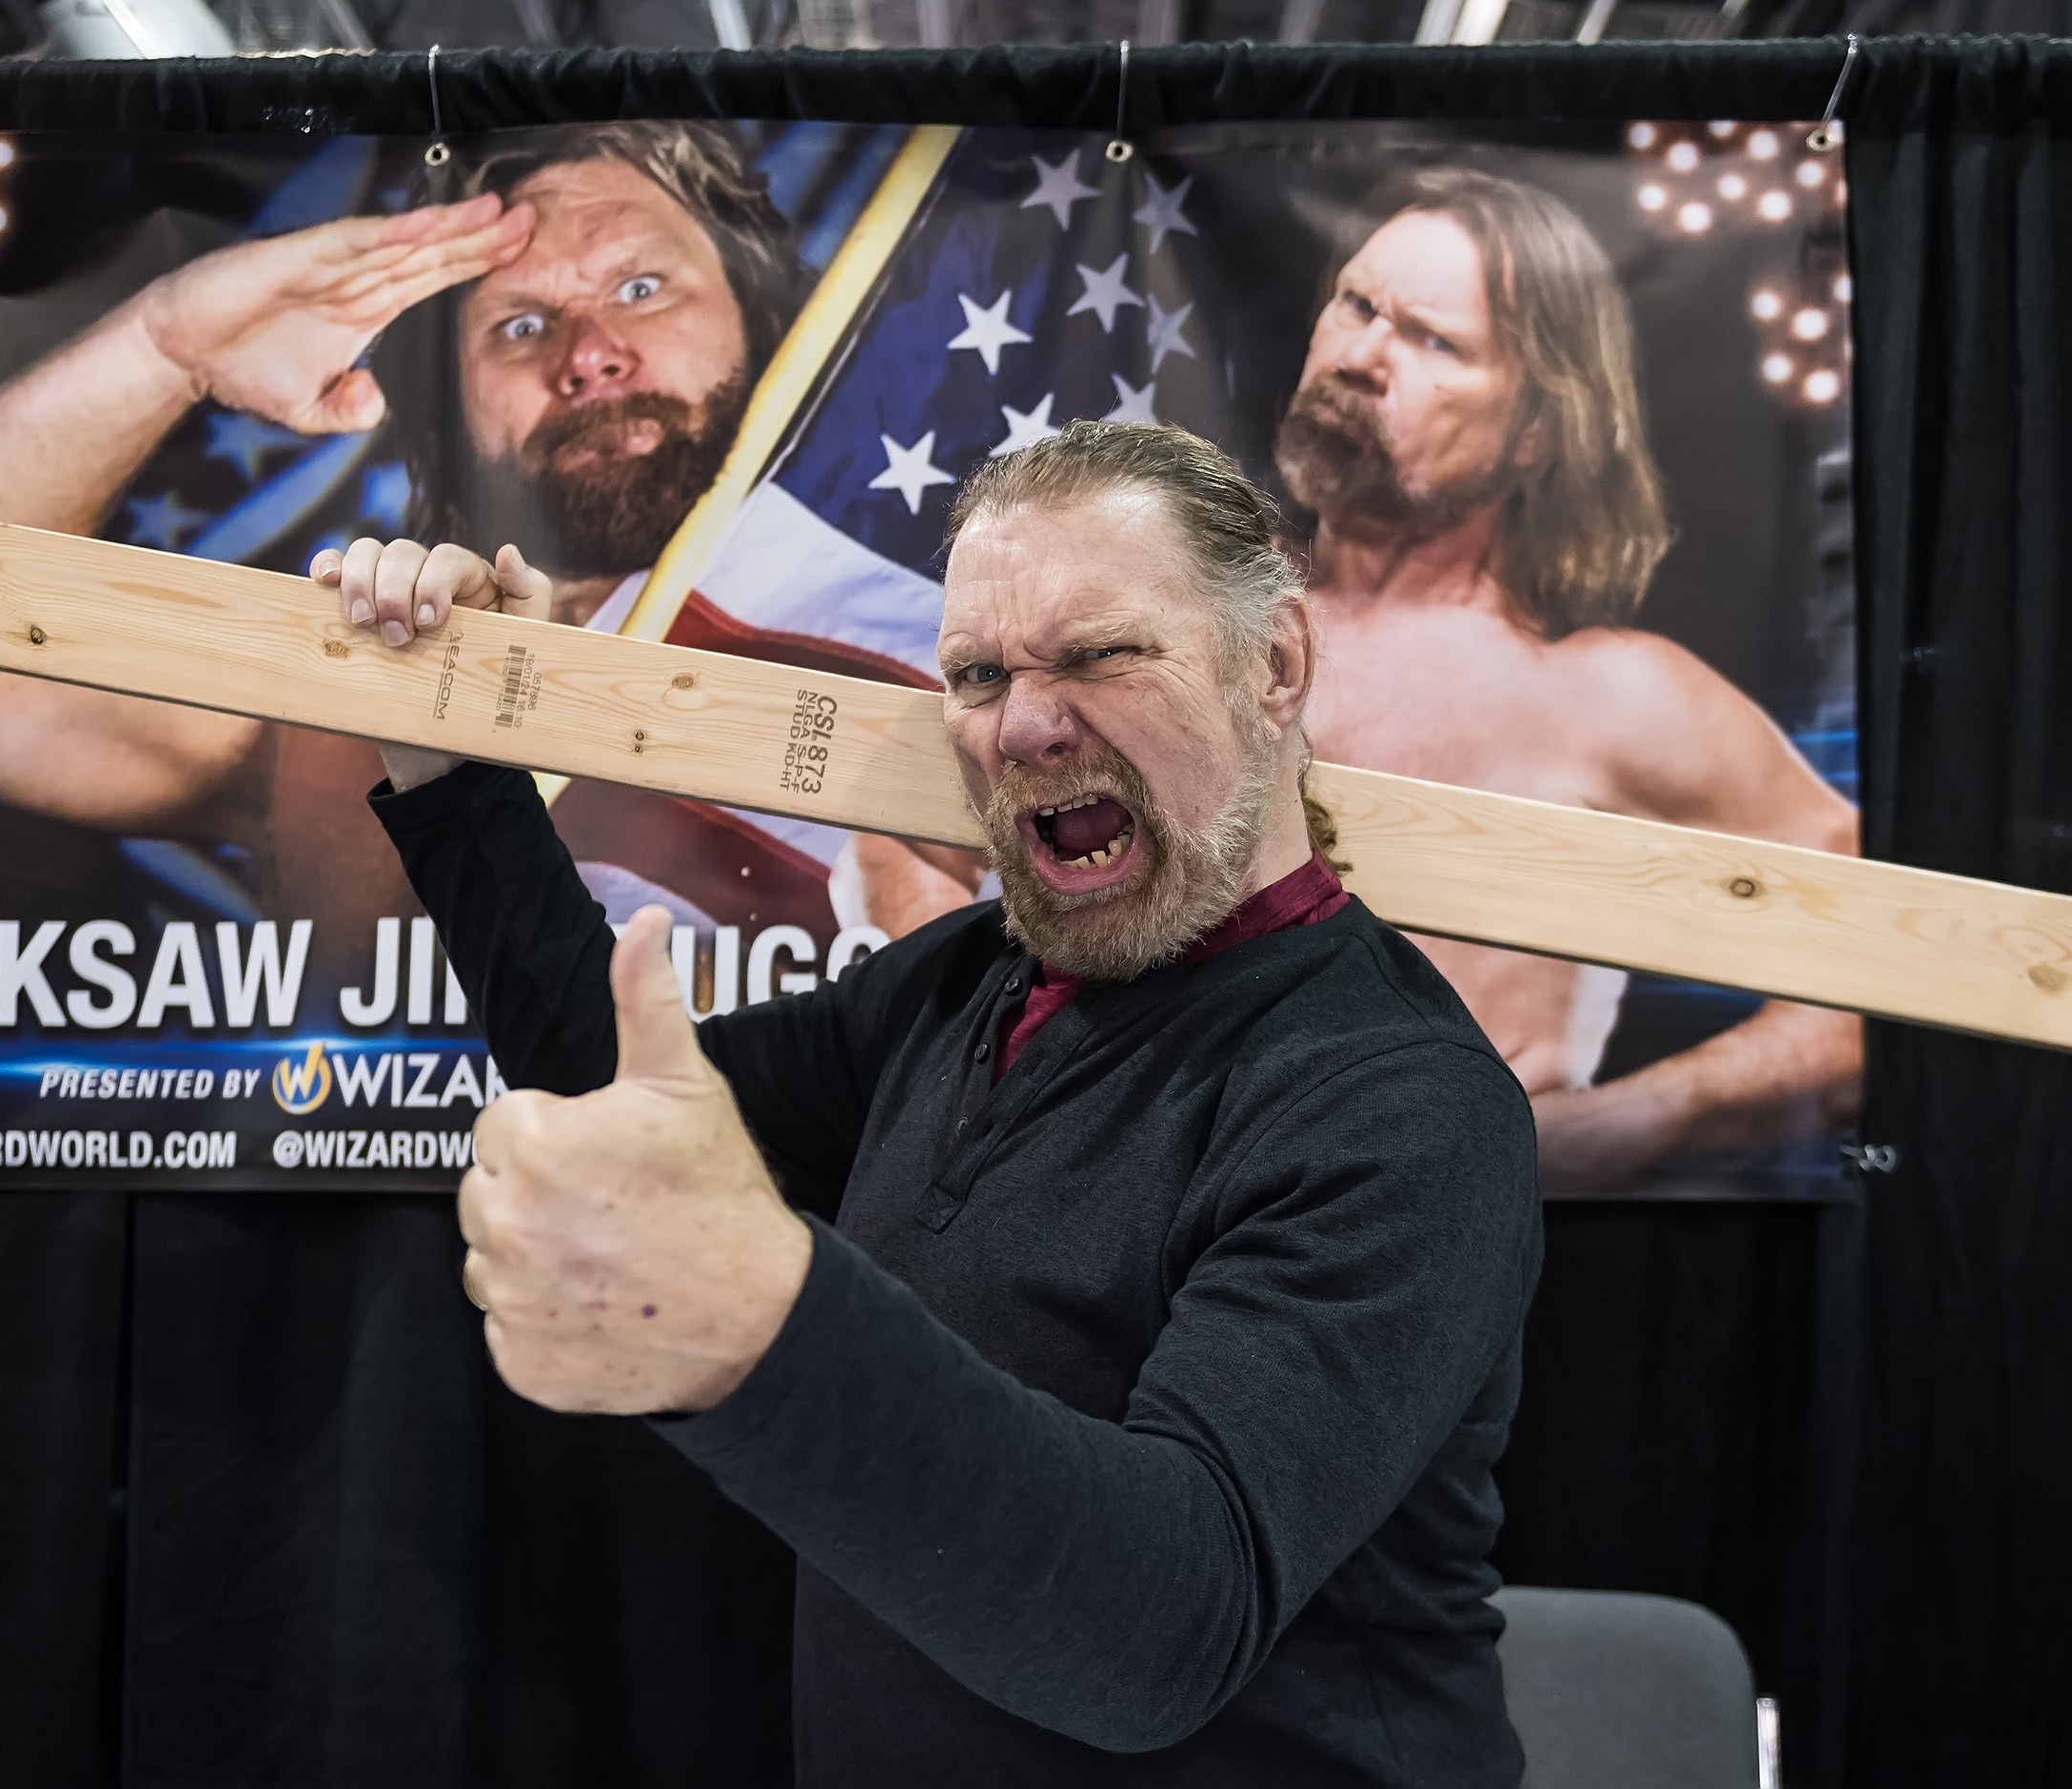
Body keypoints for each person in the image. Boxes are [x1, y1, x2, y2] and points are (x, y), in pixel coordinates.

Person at [333, 422, 1540, 1786]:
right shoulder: (966, 987)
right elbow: (622, 1100)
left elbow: (1157, 1635)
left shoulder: (1399, 1103)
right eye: (976, 673)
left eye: (1099, 654)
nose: (1026, 724)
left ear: (1274, 665)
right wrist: (446, 762)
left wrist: (763, 1325)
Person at [866, 162, 1862, 1189]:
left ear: (1537, 427)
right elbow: (907, 834)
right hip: (1097, 1224)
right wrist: (995, 1084)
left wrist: (1632, 1119)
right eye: (1357, 305)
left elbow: (1872, 954)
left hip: (1411, 1235)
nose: (1363, 356)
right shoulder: (1165, 633)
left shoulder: (1614, 696)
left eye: (1433, 341)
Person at [0, 123, 805, 951]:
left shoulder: (938, 661)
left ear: (760, 317)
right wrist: (164, 346)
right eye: (519, 325)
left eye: (640, 288)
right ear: (447, 411)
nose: (590, 356)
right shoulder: (366, 693)